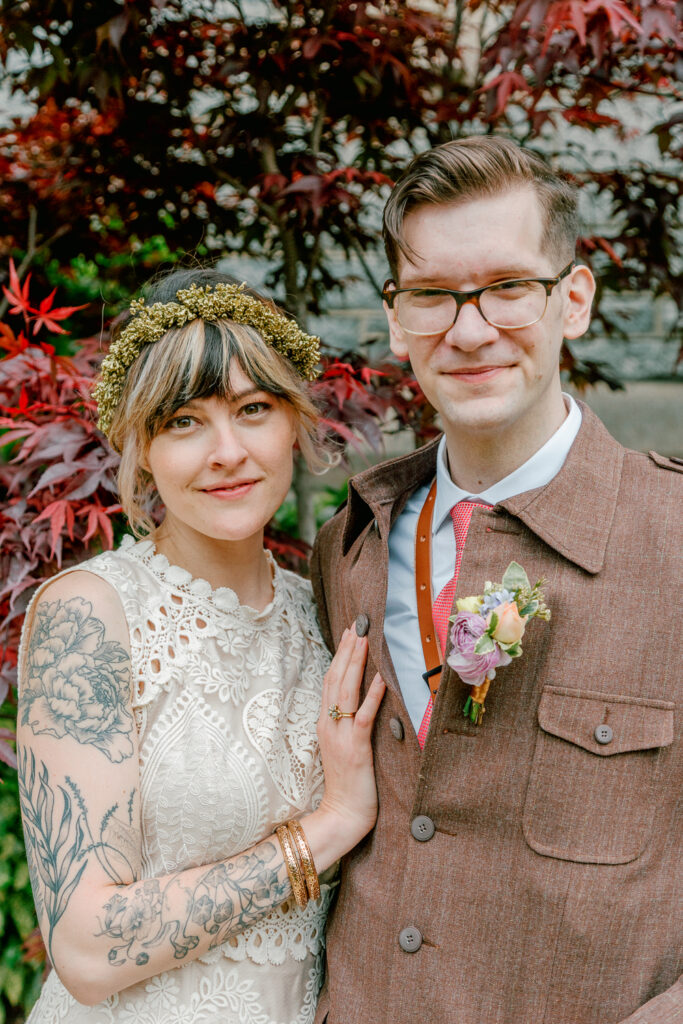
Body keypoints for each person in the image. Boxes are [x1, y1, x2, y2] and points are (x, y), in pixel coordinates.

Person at [311, 136, 682, 1024]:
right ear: (396, 319)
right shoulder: (348, 547)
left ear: (574, 300)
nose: (469, 330)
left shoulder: (674, 539)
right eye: (434, 296)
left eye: (508, 287)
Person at [16, 267, 385, 1024]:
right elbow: (86, 952)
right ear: (140, 445)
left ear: (293, 423)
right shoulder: (90, 617)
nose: (227, 451)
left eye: (253, 409)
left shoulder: (323, 610)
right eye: (184, 420)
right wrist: (328, 829)